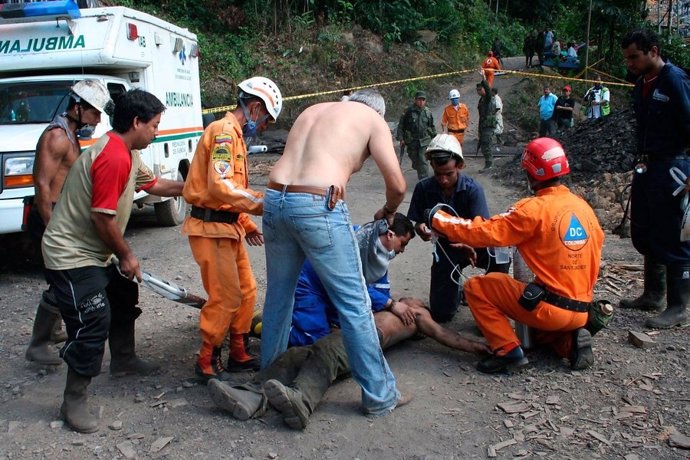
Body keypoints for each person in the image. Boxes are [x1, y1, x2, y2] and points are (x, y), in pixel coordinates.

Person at [208, 215, 488, 429]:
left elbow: (441, 334)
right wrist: (392, 303)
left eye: (416, 301)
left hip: (365, 338)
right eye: (412, 299)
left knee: (324, 356)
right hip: (350, 328)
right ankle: (252, 391)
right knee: (301, 353)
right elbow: (362, 291)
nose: (411, 300)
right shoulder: (391, 295)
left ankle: (301, 401)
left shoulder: (414, 317)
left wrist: (474, 347)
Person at [41, 89, 185, 433]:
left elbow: (155, 185)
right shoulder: (113, 156)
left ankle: (123, 360)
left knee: (123, 295)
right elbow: (102, 219)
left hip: (95, 252)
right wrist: (127, 255)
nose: (156, 132)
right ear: (136, 122)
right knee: (93, 319)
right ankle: (73, 400)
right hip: (71, 254)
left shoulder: (129, 153)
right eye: (153, 125)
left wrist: (192, 187)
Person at [259, 88, 408, 418]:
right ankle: (381, 396)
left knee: (279, 300)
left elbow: (315, 162)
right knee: (354, 303)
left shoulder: (314, 109)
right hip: (316, 203)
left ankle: (266, 380)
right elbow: (397, 184)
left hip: (273, 199)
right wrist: (389, 209)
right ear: (378, 112)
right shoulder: (372, 119)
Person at [425, 137, 605, 373]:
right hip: (581, 310)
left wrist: (439, 219)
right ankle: (570, 344)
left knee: (478, 287)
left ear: (529, 173)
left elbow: (484, 232)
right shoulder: (583, 208)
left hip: (551, 309)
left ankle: (507, 351)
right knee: (537, 331)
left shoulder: (532, 209)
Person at [182, 77, 282, 379]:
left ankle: (239, 350)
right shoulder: (224, 133)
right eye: (265, 120)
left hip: (229, 228)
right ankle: (206, 360)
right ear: (254, 108)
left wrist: (247, 223)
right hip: (209, 229)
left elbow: (230, 192)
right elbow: (221, 185)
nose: (264, 127)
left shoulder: (236, 136)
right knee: (225, 296)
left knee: (247, 290)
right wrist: (267, 203)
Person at [25, 80, 112, 366]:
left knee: (60, 279)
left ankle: (52, 331)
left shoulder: (70, 133)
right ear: (77, 107)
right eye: (94, 113)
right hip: (49, 215)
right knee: (60, 280)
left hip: (60, 215)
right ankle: (38, 345)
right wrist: (53, 230)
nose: (98, 119)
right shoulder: (57, 137)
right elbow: (42, 186)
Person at [620, 29, 690, 328]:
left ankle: (678, 306)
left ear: (653, 51)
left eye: (635, 57)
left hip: (674, 166)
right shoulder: (642, 84)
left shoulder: (675, 80)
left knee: (674, 235)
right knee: (645, 230)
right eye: (627, 59)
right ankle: (653, 294)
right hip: (648, 167)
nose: (630, 63)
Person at [407, 134, 509, 323]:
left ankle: (493, 304)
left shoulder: (473, 189)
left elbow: (483, 228)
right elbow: (418, 222)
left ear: (459, 166)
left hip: (476, 245)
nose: (443, 180)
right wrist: (421, 228)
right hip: (446, 250)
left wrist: (467, 242)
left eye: (449, 174)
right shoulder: (423, 188)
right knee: (441, 315)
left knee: (500, 254)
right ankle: (457, 291)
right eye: (438, 174)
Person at [397, 91, 436, 180]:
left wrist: (435, 137)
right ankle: (420, 172)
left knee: (423, 160)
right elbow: (401, 125)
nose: (421, 102)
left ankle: (423, 180)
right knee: (415, 161)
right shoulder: (408, 111)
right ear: (415, 100)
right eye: (419, 100)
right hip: (412, 141)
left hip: (425, 140)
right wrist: (401, 138)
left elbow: (431, 126)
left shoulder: (427, 112)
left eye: (423, 100)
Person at [476, 70, 498, 171]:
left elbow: (488, 91)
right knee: (484, 144)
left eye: (480, 89)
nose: (479, 91)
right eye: (478, 90)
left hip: (489, 126)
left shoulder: (488, 98)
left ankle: (489, 165)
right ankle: (488, 163)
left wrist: (484, 78)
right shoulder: (482, 100)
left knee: (486, 144)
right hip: (484, 125)